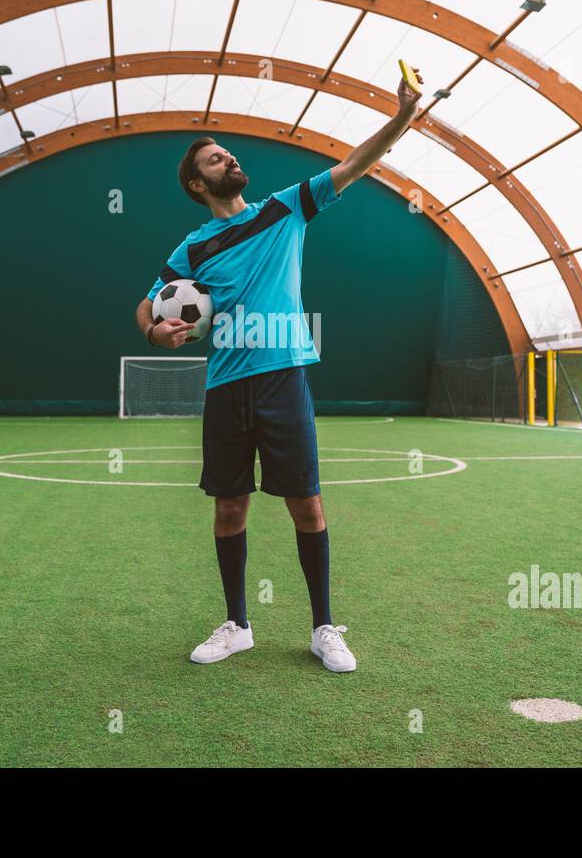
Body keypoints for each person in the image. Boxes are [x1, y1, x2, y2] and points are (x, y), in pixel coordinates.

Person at [134, 67, 426, 674]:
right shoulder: (191, 248)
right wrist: (156, 329)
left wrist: (401, 116)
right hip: (225, 388)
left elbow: (355, 164)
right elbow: (148, 303)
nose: (228, 159)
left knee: (308, 506)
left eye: (228, 153)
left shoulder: (285, 208)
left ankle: (323, 627)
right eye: (216, 159)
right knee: (228, 508)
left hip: (283, 378)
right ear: (197, 182)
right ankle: (237, 625)